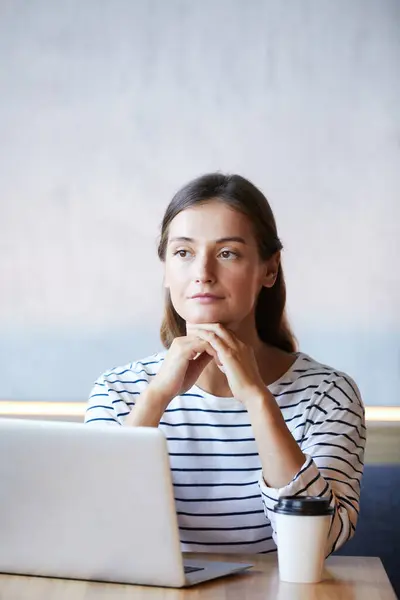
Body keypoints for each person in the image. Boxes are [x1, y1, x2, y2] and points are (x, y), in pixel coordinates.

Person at [85, 173, 366, 556]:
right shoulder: (117, 391)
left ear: (269, 269)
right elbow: (93, 523)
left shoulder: (327, 394)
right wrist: (155, 398)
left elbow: (319, 542)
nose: (202, 272)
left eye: (227, 253)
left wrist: (256, 398)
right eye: (183, 252)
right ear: (166, 269)